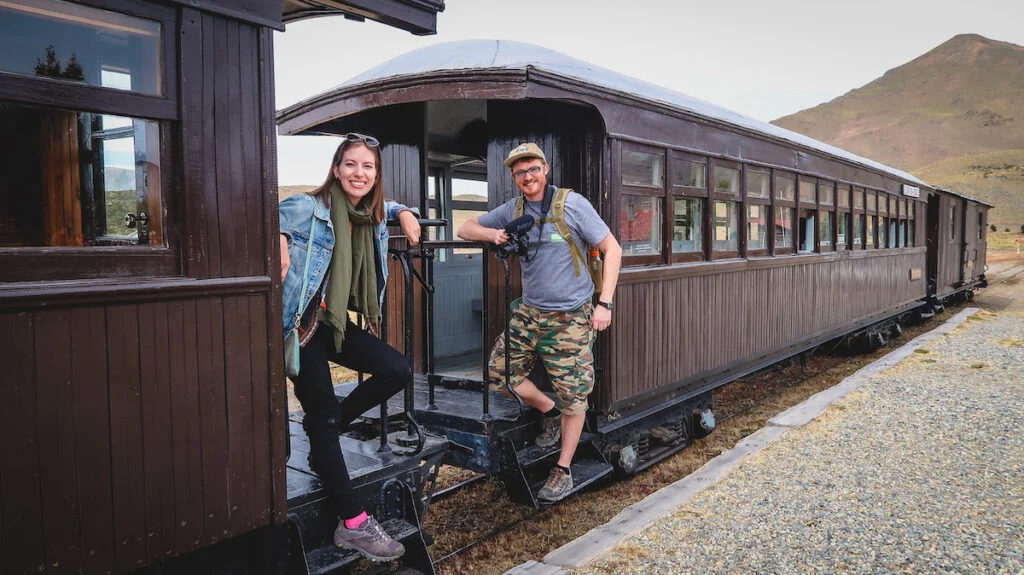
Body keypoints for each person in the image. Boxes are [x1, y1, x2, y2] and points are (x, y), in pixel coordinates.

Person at [278, 133, 421, 561]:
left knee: (396, 369)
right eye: (351, 164)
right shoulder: (308, 208)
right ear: (336, 169)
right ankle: (353, 523)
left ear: (376, 176)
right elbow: (267, 215)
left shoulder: (371, 217)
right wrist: (279, 236)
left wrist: (405, 212)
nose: (359, 173)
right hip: (301, 327)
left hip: (333, 323)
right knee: (321, 416)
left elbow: (382, 208)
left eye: (368, 166)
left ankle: (325, 429)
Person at [457, 142, 622, 502]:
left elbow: (613, 249)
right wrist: (494, 234)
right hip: (529, 312)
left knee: (575, 397)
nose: (527, 176)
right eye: (520, 172)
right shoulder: (513, 209)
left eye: (533, 169)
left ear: (545, 169)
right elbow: (465, 228)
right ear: (514, 178)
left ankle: (562, 470)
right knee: (499, 375)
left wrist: (604, 303)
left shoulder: (571, 205)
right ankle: (547, 410)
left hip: (570, 316)